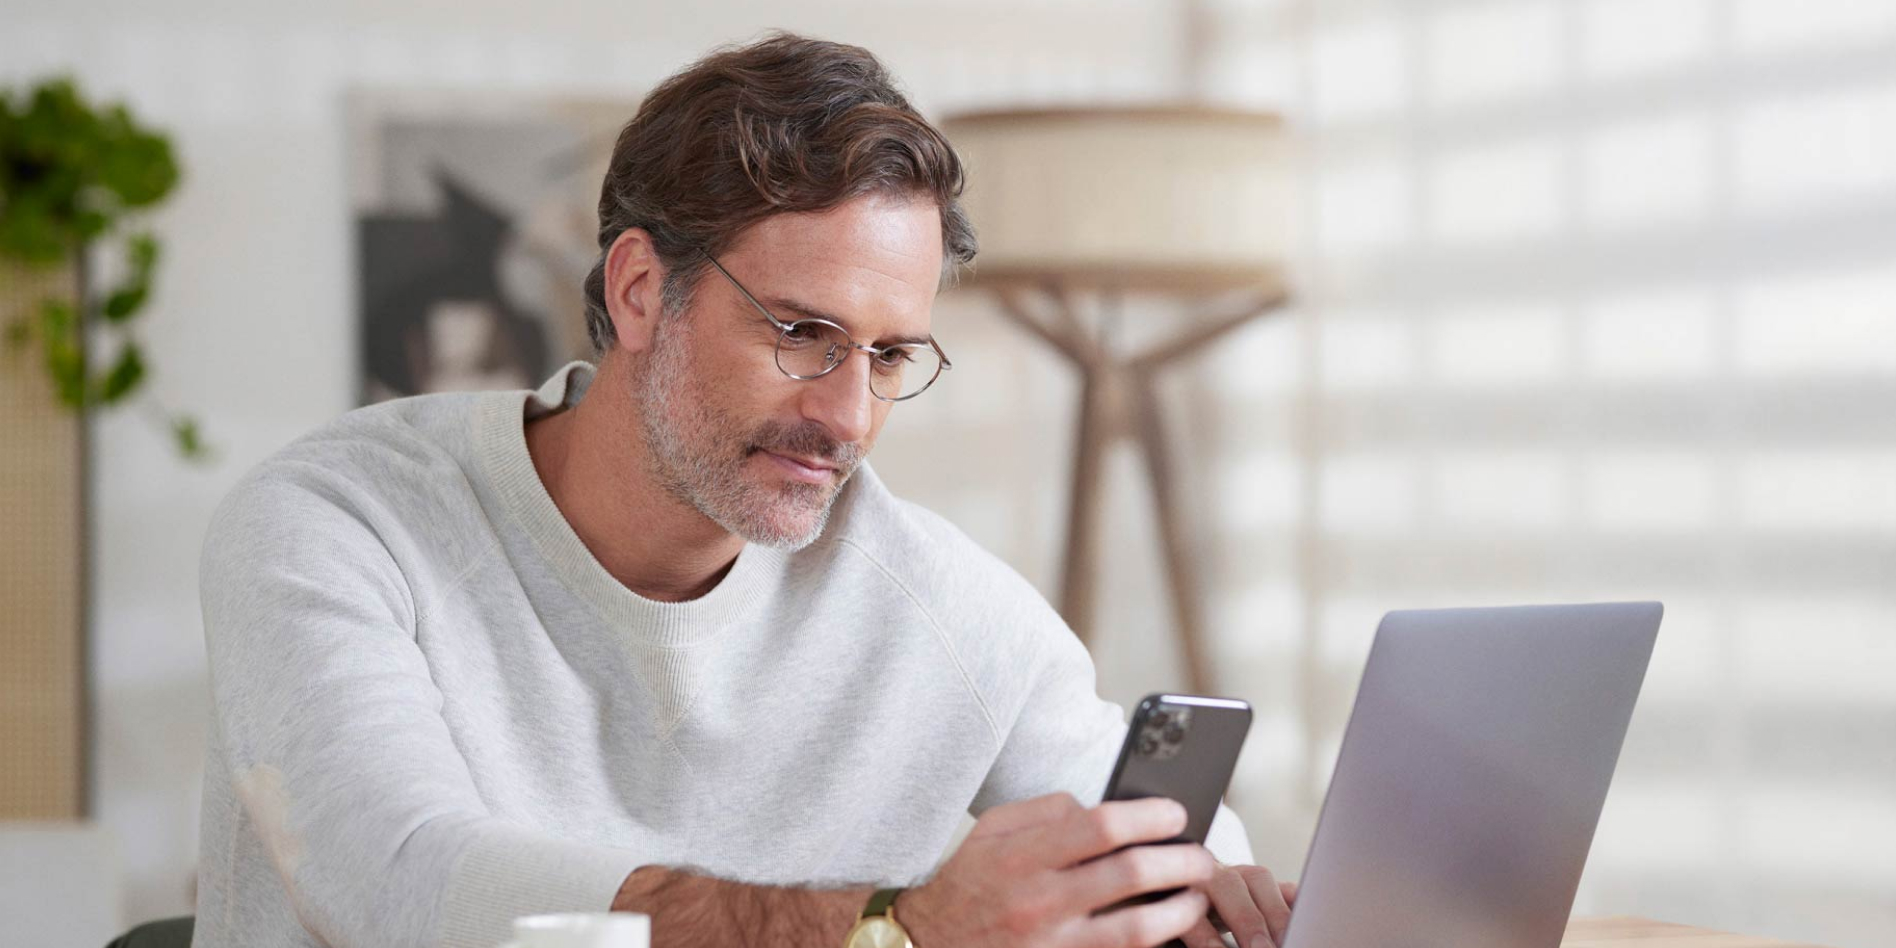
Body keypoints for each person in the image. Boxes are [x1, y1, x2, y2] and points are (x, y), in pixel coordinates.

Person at [194, 31, 1294, 948]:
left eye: (889, 356)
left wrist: (1203, 904)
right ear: (639, 290)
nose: (849, 416)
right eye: (803, 333)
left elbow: (1173, 847)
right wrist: (891, 929)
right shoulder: (336, 526)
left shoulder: (940, 608)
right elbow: (395, 878)